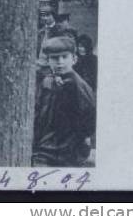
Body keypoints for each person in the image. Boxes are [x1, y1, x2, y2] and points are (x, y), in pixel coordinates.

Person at [32, 36, 96, 167]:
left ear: (74, 59)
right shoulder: (49, 81)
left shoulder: (77, 85)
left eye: (64, 57)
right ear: (49, 61)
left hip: (64, 153)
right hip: (45, 147)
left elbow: (89, 121)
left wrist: (79, 142)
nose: (60, 62)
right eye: (55, 58)